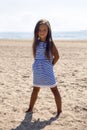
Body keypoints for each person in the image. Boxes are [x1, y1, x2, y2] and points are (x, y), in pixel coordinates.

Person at [26, 19, 62, 116]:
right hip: (37, 70)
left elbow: (57, 56)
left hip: (48, 70)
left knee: (54, 90)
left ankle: (59, 111)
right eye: (40, 30)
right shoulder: (35, 43)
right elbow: (36, 57)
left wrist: (50, 65)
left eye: (44, 30)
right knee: (35, 89)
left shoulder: (50, 43)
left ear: (48, 31)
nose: (42, 32)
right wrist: (38, 66)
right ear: (36, 31)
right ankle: (30, 108)